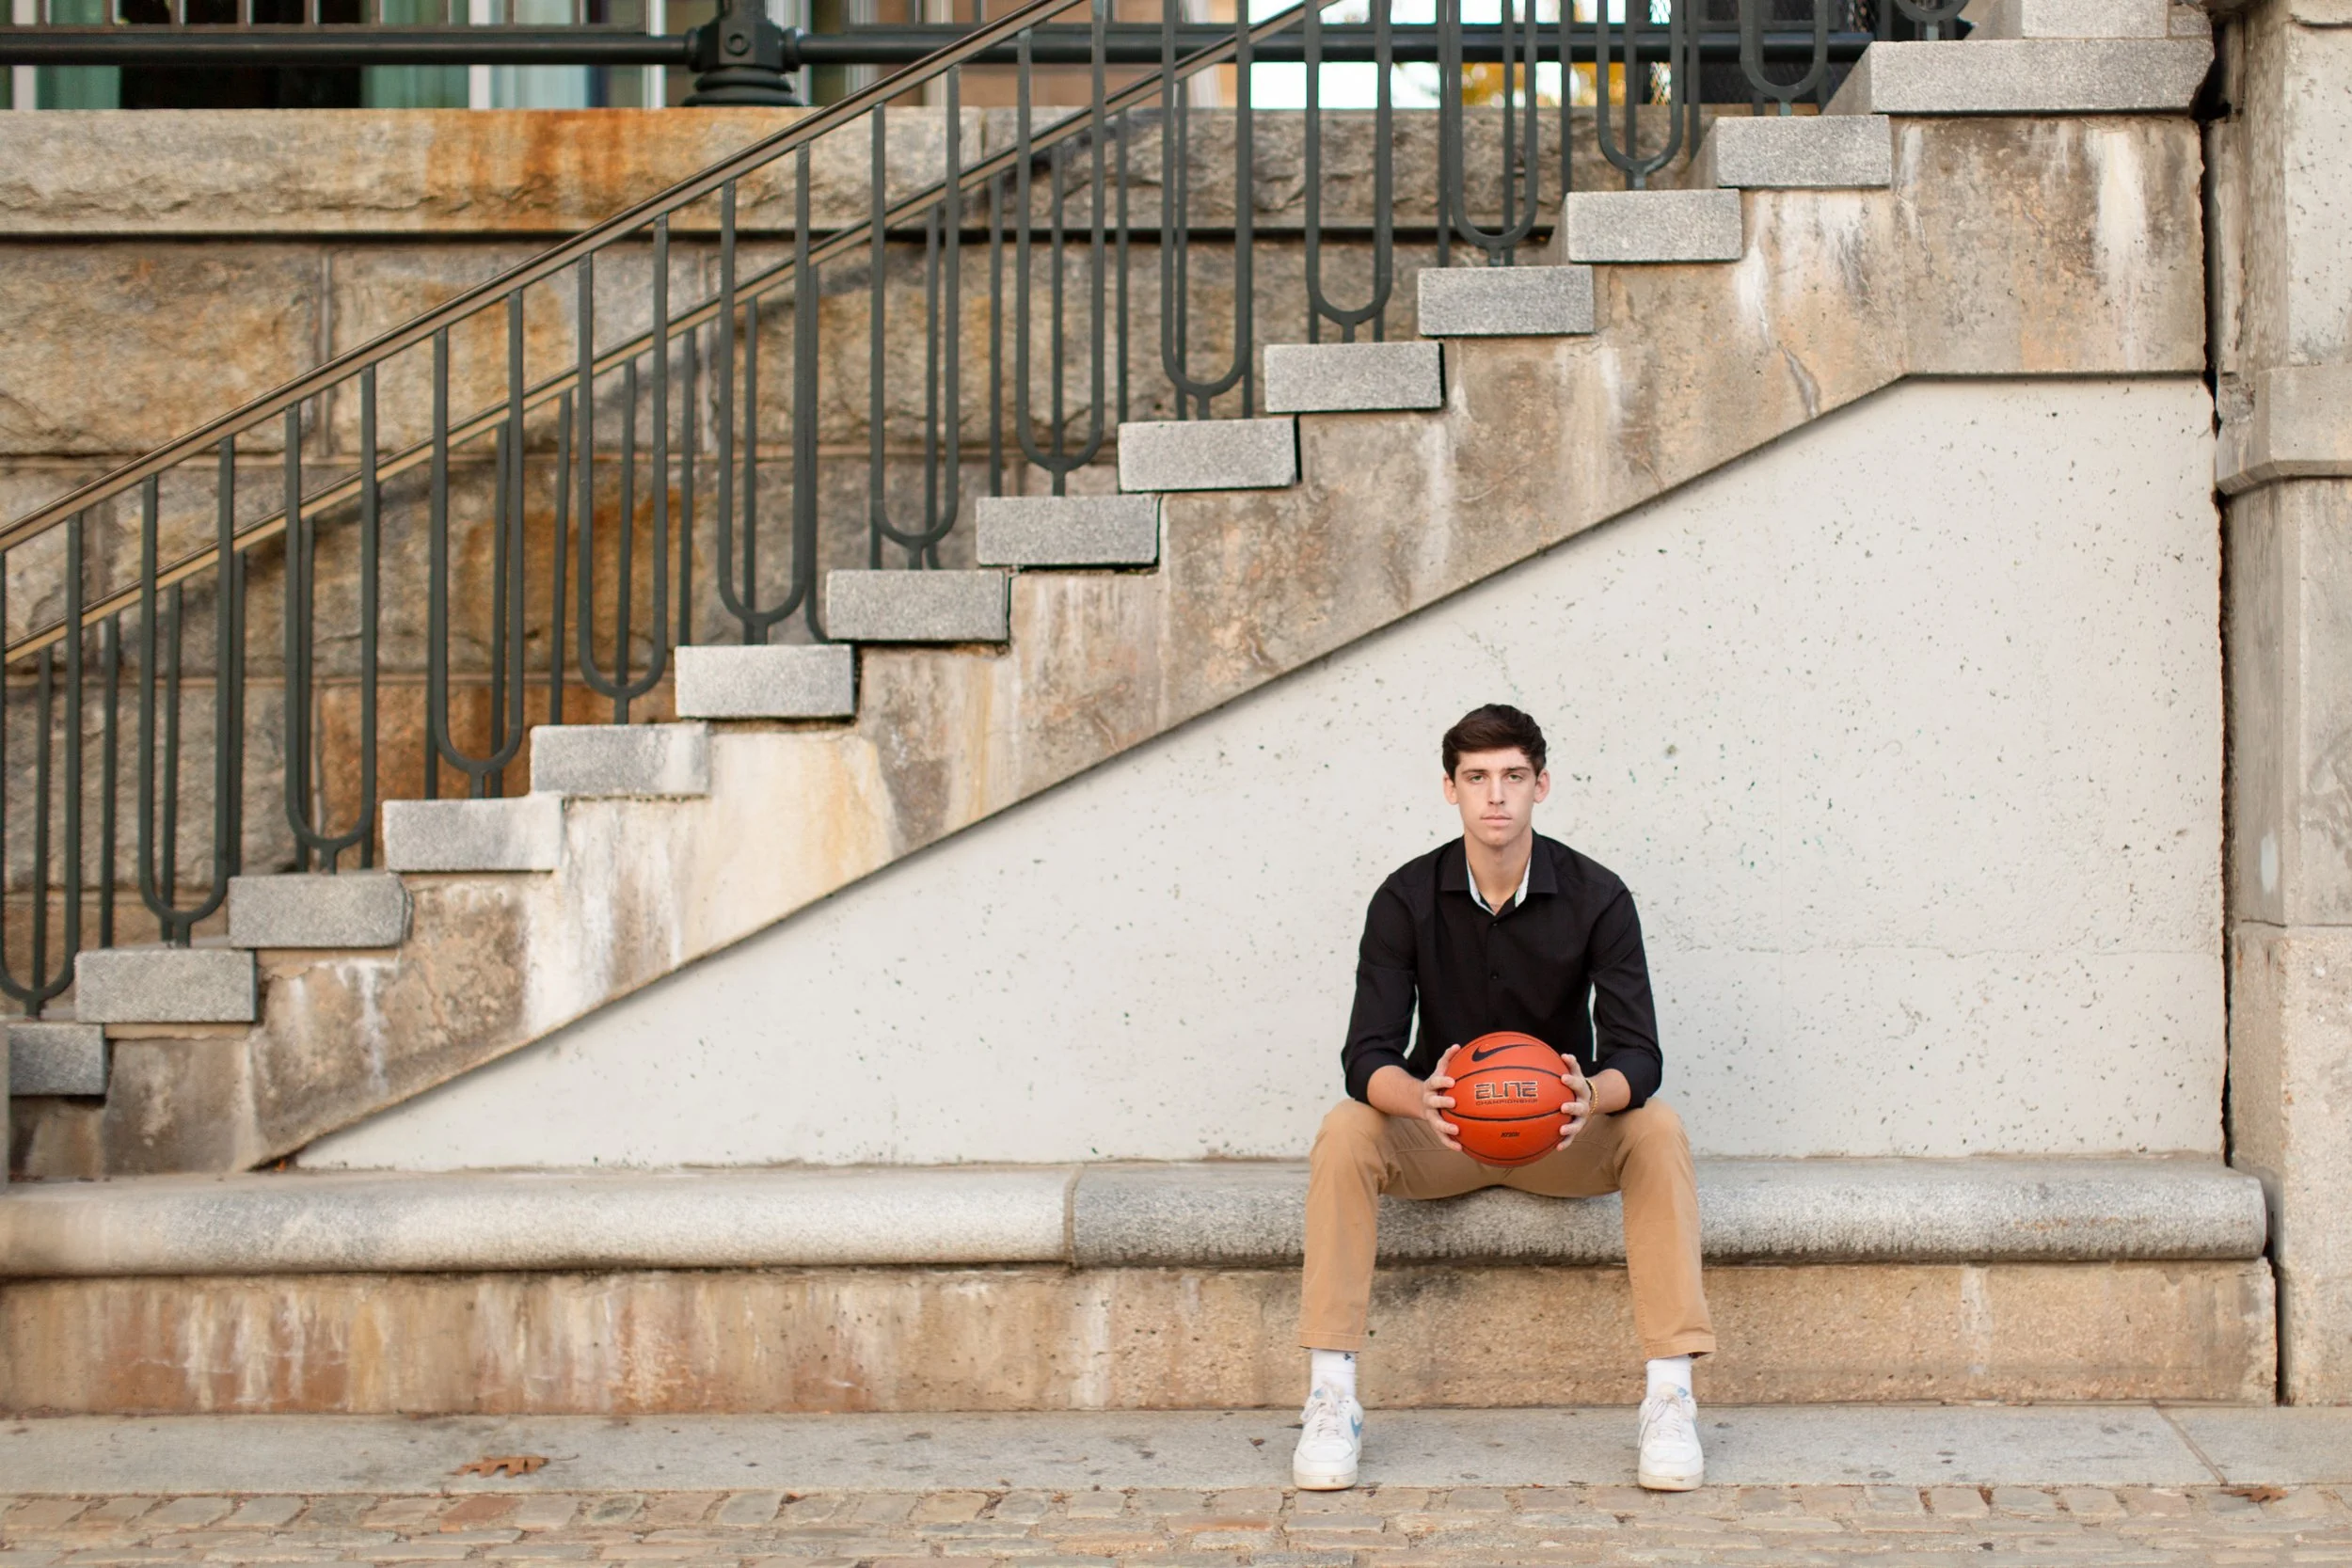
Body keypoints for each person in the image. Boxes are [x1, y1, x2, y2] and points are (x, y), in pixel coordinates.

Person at [1292, 703, 1714, 1492]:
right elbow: (1365, 1055)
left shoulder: (1598, 896)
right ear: (1449, 788)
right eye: (1477, 777)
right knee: (1347, 1125)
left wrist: (1589, 1094)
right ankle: (1331, 1394)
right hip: (1443, 1137)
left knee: (1656, 1126)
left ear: (1541, 785)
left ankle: (1669, 1395)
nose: (1496, 794)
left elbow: (1640, 1055)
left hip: (1561, 1135)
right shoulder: (1405, 897)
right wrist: (1421, 1098)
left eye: (1513, 776)